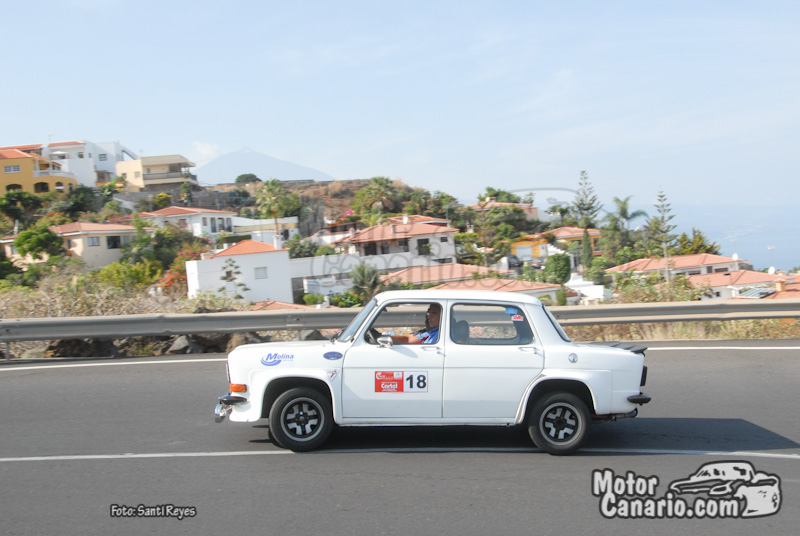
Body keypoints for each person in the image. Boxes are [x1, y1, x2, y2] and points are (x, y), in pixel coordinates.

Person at [370, 304, 441, 344]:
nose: (428, 316)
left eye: (433, 313)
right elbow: (410, 336)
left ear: (442, 317)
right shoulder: (429, 332)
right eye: (428, 313)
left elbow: (408, 340)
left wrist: (378, 336)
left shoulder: (438, 333)